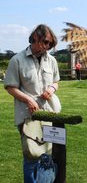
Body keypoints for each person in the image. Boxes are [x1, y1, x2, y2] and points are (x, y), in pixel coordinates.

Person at [3, 24, 60, 182]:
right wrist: (28, 99)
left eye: (50, 44)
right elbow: (10, 87)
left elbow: (56, 82)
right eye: (46, 42)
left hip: (50, 114)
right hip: (28, 117)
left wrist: (52, 89)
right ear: (35, 37)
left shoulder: (52, 60)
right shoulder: (17, 60)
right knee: (32, 155)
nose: (48, 46)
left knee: (48, 155)